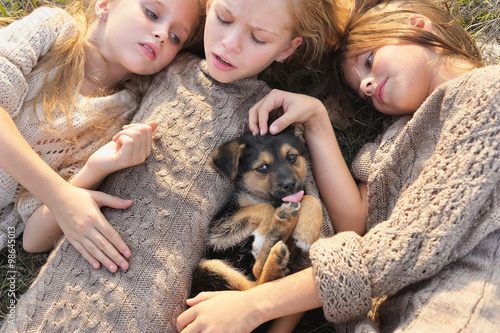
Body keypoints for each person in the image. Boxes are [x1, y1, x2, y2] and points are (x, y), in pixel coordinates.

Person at [2, 0, 344, 331]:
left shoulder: (270, 119)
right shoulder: (158, 71)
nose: (230, 44)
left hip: (150, 310)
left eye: (258, 37)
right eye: (224, 18)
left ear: (287, 48)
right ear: (209, 8)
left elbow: (333, 244)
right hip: (56, 294)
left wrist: (317, 118)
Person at [176, 0, 500, 332]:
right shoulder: (394, 139)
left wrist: (257, 304)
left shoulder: (488, 90)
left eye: (369, 60)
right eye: (363, 91)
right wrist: (316, 118)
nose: (368, 85)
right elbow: (354, 223)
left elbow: (406, 244)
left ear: (417, 25)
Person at [0, 0, 204, 272]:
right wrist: (59, 194)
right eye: (152, 13)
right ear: (105, 5)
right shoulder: (53, 28)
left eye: (176, 37)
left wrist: (91, 172)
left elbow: (34, 239)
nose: (163, 34)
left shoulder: (122, 120)